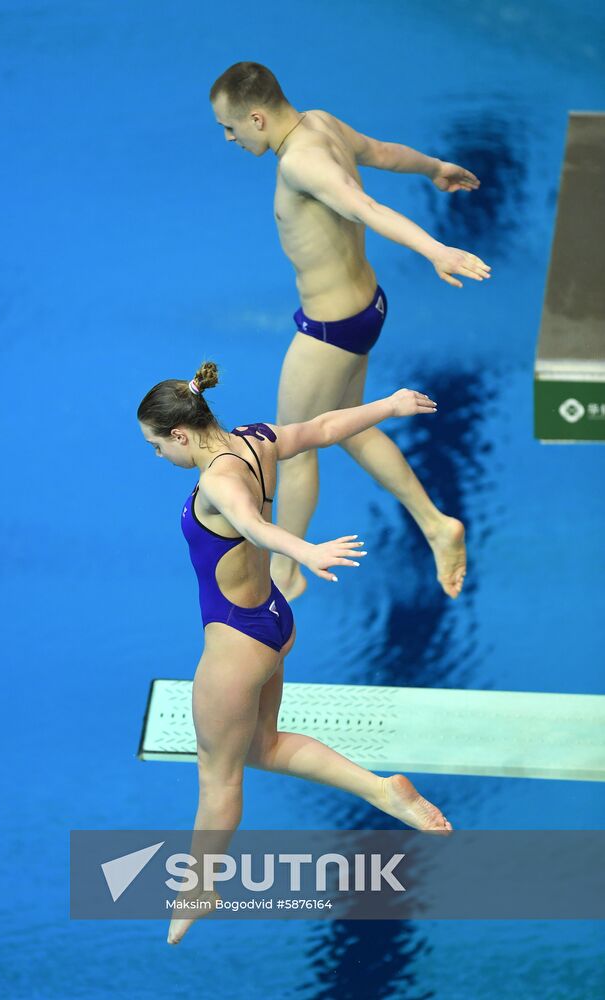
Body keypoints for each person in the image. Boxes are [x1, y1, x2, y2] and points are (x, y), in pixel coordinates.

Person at [137, 361, 452, 945]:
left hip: (235, 645)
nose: (158, 457)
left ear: (181, 434)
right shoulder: (257, 439)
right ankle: (381, 790)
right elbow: (327, 427)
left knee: (219, 780)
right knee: (263, 745)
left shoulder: (217, 481)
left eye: (157, 446)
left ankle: (201, 886)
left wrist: (303, 550)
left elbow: (252, 526)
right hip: (273, 620)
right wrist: (388, 404)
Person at [210, 62, 491, 602]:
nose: (229, 138)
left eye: (230, 127)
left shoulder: (302, 162)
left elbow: (364, 206)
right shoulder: (321, 123)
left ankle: (287, 576)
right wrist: (434, 167)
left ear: (257, 117)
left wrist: (438, 250)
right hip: (365, 307)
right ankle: (435, 524)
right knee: (351, 426)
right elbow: (383, 153)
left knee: (291, 447)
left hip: (330, 329)